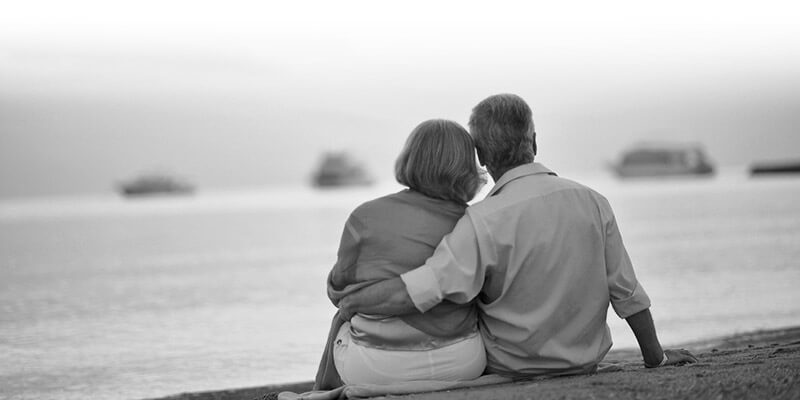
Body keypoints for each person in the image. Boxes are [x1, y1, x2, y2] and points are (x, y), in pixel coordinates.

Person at [338, 94, 698, 377]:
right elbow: (626, 291)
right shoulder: (593, 201)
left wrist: (355, 301)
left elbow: (425, 288)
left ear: (481, 156)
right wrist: (656, 357)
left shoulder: (482, 220)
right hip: (584, 361)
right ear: (534, 142)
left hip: (512, 367)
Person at [314, 119, 487, 390]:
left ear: (410, 158)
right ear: (467, 167)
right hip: (462, 363)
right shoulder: (475, 222)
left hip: (376, 367)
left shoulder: (365, 216)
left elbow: (338, 293)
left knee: (344, 322)